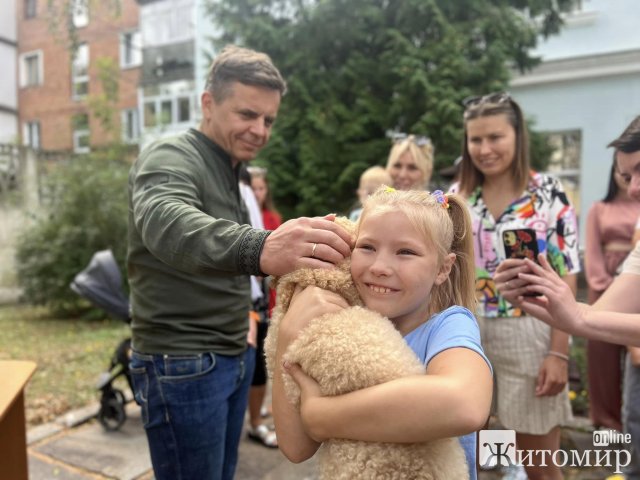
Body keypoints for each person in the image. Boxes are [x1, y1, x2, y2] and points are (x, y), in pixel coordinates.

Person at [127, 45, 352, 480]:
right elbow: (165, 221)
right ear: (208, 103)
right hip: (183, 361)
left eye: (268, 119)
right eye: (247, 114)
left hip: (229, 352)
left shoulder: (229, 168)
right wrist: (263, 248)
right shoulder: (170, 157)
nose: (259, 130)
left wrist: (247, 316)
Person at [272, 187, 493, 479]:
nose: (379, 267)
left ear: (443, 268)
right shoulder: (345, 328)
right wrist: (288, 334)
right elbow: (296, 448)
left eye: (406, 252)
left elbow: (466, 405)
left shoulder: (448, 325)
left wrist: (319, 416)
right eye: (367, 247)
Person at [496, 115, 640, 479]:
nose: (634, 189)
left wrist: (561, 345)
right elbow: (598, 316)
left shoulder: (549, 194)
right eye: (626, 177)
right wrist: (542, 302)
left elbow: (587, 312)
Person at [451, 92, 580, 479]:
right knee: (486, 461)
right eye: (476, 139)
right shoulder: (459, 196)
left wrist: (558, 354)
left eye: (495, 137)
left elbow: (567, 273)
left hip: (530, 336)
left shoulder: (549, 194)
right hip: (469, 336)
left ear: (517, 136)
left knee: (538, 465)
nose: (485, 149)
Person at [584, 162, 640, 433]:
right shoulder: (599, 208)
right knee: (602, 355)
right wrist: (604, 285)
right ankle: (606, 421)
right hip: (605, 283)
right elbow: (592, 250)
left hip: (635, 283)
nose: (630, 182)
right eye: (625, 174)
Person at [244, 166, 282, 448]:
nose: (257, 193)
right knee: (253, 360)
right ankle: (254, 419)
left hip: (263, 299)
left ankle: (255, 414)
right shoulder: (241, 214)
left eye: (261, 188)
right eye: (252, 188)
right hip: (246, 301)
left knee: (261, 359)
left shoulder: (272, 219)